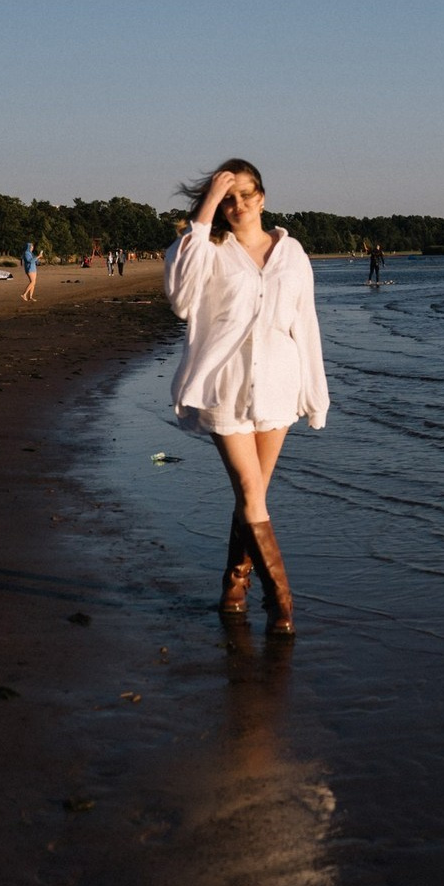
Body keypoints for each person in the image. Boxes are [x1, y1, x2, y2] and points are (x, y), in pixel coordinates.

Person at [164, 159, 329, 637]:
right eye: (228, 198)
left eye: (246, 194)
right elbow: (179, 299)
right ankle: (282, 601)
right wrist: (207, 207)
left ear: (263, 196)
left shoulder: (292, 252)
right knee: (251, 491)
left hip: (279, 382)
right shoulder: (210, 248)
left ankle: (234, 585)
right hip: (226, 385)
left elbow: (307, 324)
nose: (239, 205)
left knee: (251, 495)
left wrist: (315, 394)